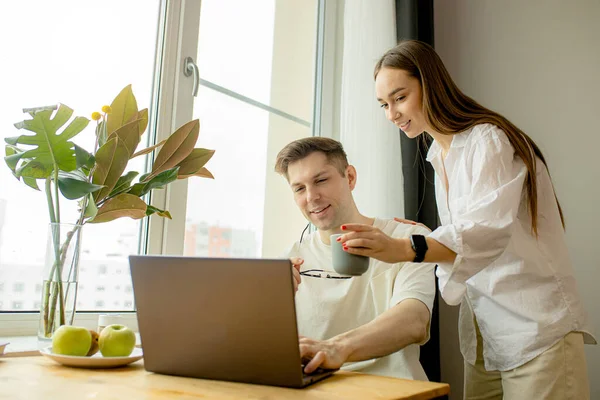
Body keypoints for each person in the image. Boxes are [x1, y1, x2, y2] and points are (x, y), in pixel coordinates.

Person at [336, 39, 595, 399]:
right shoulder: (440, 154)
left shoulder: (487, 140)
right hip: (486, 332)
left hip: (535, 330)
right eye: (383, 104)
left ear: (430, 84)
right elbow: (469, 232)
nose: (391, 114)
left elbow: (483, 234)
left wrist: (403, 248)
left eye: (399, 97)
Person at [274, 137, 436, 380]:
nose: (311, 197)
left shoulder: (407, 239)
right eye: (299, 188)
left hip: (392, 389)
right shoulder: (288, 260)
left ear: (350, 177)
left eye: (320, 180)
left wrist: (336, 349)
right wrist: (273, 301)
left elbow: (414, 321)